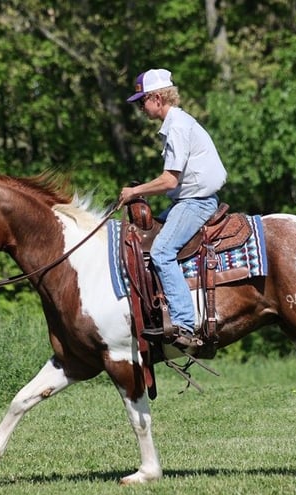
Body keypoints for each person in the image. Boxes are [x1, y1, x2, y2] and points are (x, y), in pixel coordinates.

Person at [119, 68, 227, 349]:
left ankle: (183, 323)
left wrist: (135, 191)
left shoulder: (177, 126)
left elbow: (170, 180)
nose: (141, 107)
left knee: (161, 251)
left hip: (195, 203)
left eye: (142, 101)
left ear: (157, 98)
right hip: (186, 201)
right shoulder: (176, 123)